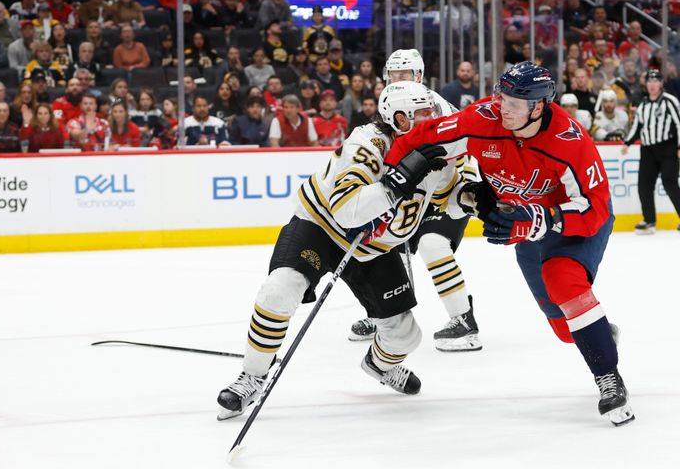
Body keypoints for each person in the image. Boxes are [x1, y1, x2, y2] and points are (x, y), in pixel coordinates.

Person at [388, 61, 634, 426]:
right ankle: (598, 332)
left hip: (573, 223)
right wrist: (390, 174)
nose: (503, 107)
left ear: (538, 107)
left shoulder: (570, 142)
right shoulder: (484, 119)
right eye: (502, 96)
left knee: (562, 279)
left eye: (515, 103)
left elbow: (595, 209)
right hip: (526, 228)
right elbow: (426, 135)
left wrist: (542, 219)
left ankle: (608, 378)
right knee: (565, 329)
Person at [216, 81, 454, 419]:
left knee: (406, 336)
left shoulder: (436, 156)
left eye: (433, 113)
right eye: (422, 115)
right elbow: (346, 209)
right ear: (399, 119)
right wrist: (395, 182)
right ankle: (252, 377)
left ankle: (379, 365)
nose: (432, 121)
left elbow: (448, 197)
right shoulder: (368, 143)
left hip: (371, 247)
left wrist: (480, 201)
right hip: (322, 227)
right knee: (278, 291)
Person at [349, 48, 481, 351]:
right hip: (413, 191)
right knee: (383, 248)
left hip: (445, 189)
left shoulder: (438, 107)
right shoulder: (391, 102)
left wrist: (469, 187)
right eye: (393, 74)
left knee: (432, 245)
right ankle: (384, 314)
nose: (398, 79)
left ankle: (463, 320)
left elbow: (464, 147)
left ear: (419, 76)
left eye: (404, 74)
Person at [622, 69, 680, 234]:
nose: (653, 85)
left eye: (656, 81)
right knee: (644, 185)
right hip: (647, 149)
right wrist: (628, 143)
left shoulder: (670, 101)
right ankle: (649, 220)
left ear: (661, 83)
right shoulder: (644, 104)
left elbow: (678, 124)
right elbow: (637, 127)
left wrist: (679, 146)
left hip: (667, 147)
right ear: (646, 84)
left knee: (670, 183)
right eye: (650, 82)